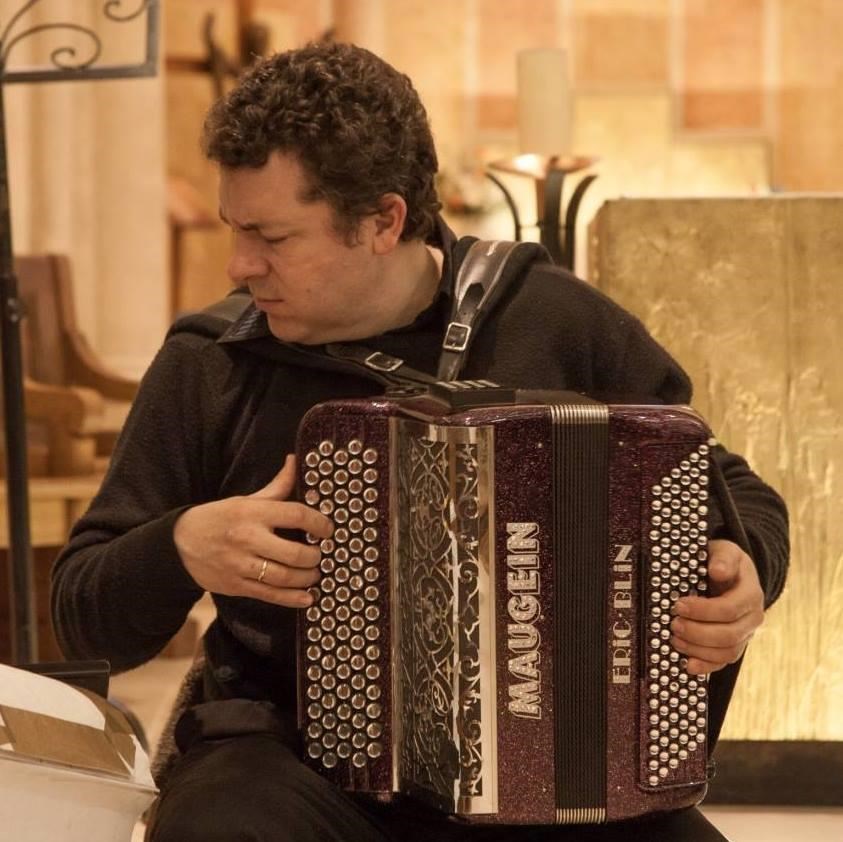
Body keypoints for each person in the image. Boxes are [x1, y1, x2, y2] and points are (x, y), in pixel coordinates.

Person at [50, 41, 788, 842]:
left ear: (383, 220)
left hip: (549, 771)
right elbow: (84, 614)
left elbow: (734, 494)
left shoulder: (554, 322)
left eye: (273, 237)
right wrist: (182, 546)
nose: (239, 264)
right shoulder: (212, 362)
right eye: (235, 229)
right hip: (296, 766)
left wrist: (743, 574)